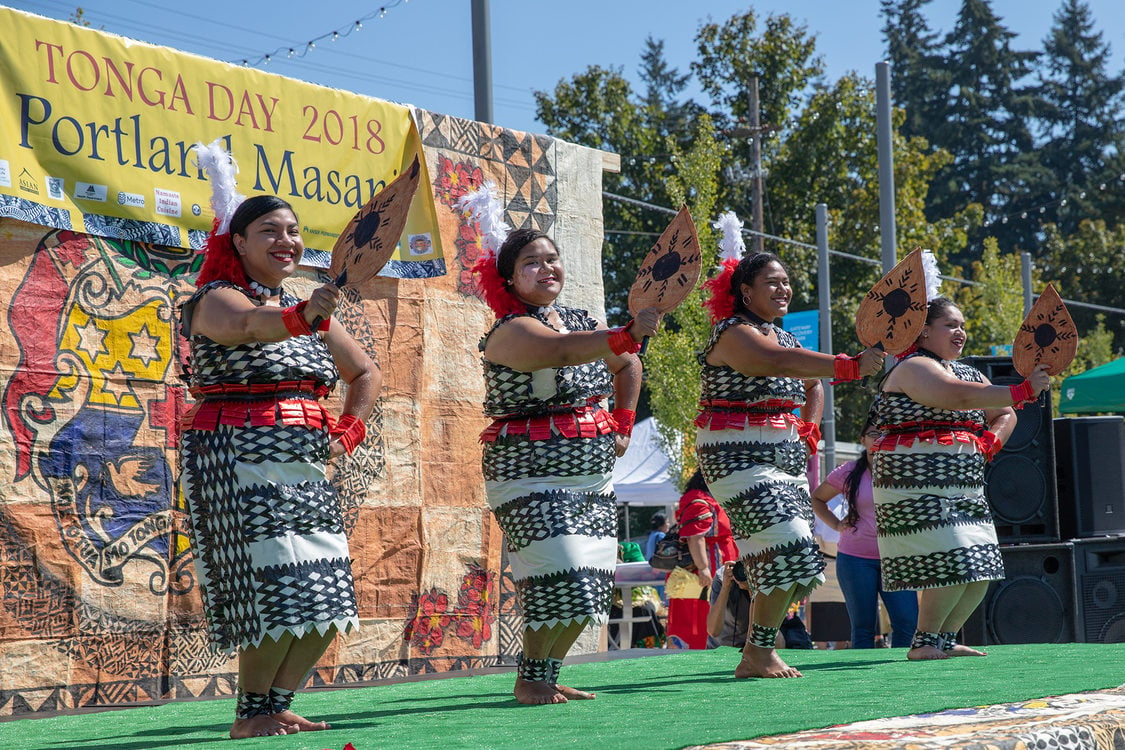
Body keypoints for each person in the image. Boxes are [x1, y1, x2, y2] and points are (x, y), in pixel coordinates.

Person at [179, 186, 379, 736]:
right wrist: (304, 315)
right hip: (236, 458)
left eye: (292, 231)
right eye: (269, 231)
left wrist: (350, 427)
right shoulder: (213, 298)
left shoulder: (305, 309)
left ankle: (276, 702)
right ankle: (251, 714)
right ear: (238, 241)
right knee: (273, 583)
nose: (285, 241)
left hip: (304, 463)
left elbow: (365, 372)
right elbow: (247, 327)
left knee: (328, 594)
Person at [471, 216, 661, 705]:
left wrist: (622, 422)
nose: (545, 268)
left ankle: (541, 676)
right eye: (530, 263)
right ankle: (530, 679)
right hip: (527, 475)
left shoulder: (579, 320)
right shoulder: (510, 331)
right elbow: (555, 352)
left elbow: (628, 364)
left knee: (589, 587)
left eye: (551, 259)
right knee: (563, 573)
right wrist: (623, 334)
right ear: (509, 279)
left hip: (590, 478)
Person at [695, 247, 884, 678]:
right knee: (791, 544)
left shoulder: (784, 336)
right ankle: (757, 652)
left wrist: (810, 431)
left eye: (785, 281)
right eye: (772, 282)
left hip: (783, 454)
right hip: (735, 453)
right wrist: (849, 366)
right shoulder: (733, 333)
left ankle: (756, 653)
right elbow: (773, 363)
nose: (784, 289)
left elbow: (811, 384)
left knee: (796, 563)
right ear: (745, 291)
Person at [870, 296, 1050, 660]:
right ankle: (922, 642)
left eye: (962, 325)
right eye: (950, 325)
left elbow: (1005, 413)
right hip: (914, 484)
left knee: (981, 566)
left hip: (963, 485)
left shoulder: (969, 371)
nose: (960, 332)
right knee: (957, 559)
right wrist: (1023, 389)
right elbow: (954, 396)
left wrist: (989, 442)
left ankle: (944, 639)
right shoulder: (911, 367)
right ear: (923, 332)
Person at [811, 417, 919, 648]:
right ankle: (863, 682)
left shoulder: (904, 468)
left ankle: (901, 675)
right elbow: (817, 499)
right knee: (863, 627)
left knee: (907, 622)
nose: (879, 438)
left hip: (897, 557)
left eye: (884, 433)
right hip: (856, 559)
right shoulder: (849, 471)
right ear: (862, 440)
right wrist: (837, 524)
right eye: (873, 434)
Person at [707, 560, 753, 648]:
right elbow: (713, 630)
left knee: (777, 638)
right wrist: (725, 587)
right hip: (721, 645)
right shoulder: (722, 576)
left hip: (754, 643)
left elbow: (766, 624)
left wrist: (751, 590)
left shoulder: (764, 575)